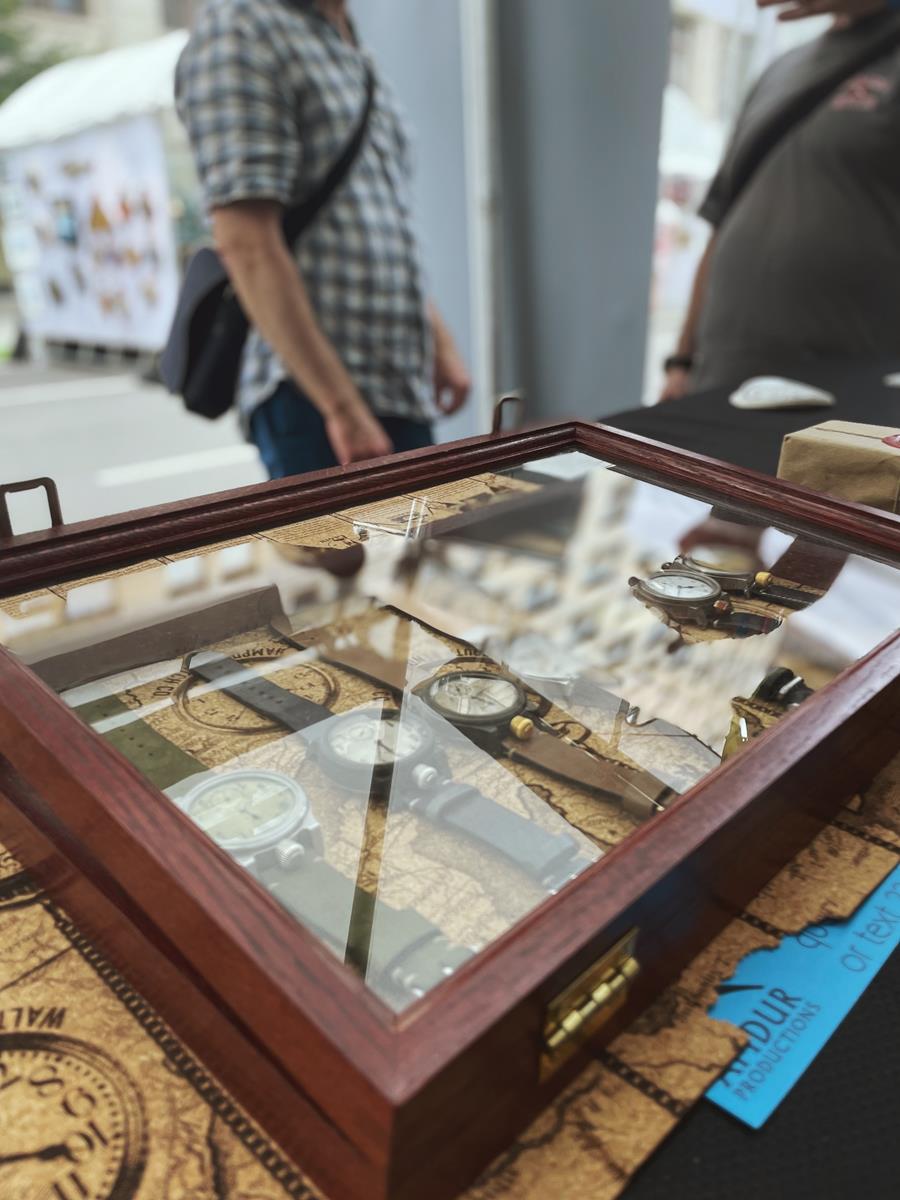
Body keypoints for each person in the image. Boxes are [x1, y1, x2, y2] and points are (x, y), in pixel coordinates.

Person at [176, 0, 470, 476]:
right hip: (312, 396)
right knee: (336, 551)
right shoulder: (243, 29)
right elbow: (247, 241)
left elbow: (377, 212)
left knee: (411, 547)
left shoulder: (344, 40)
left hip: (395, 382)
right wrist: (342, 408)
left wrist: (436, 338)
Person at [660, 0, 900, 402]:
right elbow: (722, 216)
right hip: (722, 374)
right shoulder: (781, 70)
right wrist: (681, 362)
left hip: (848, 382)